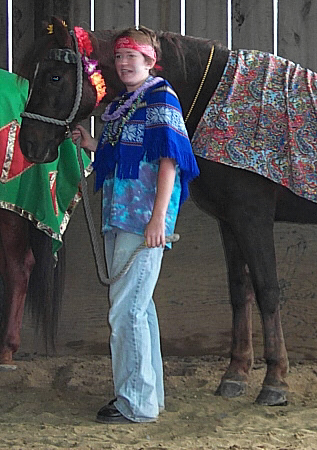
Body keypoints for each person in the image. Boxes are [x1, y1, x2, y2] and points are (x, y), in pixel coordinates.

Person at [72, 26, 199, 424]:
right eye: (119, 56)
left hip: (143, 218)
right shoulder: (126, 103)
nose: (124, 63)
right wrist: (90, 143)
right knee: (139, 308)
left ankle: (134, 403)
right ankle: (149, 396)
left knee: (126, 310)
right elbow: (123, 152)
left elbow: (169, 159)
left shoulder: (160, 98)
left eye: (132, 56)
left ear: (150, 60)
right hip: (120, 215)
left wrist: (158, 218)